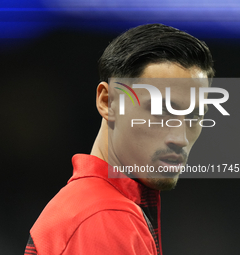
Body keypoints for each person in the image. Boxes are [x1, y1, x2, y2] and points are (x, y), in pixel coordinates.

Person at [24, 23, 214, 255]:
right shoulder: (105, 217)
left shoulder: (89, 207)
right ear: (108, 102)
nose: (180, 138)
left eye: (194, 116)